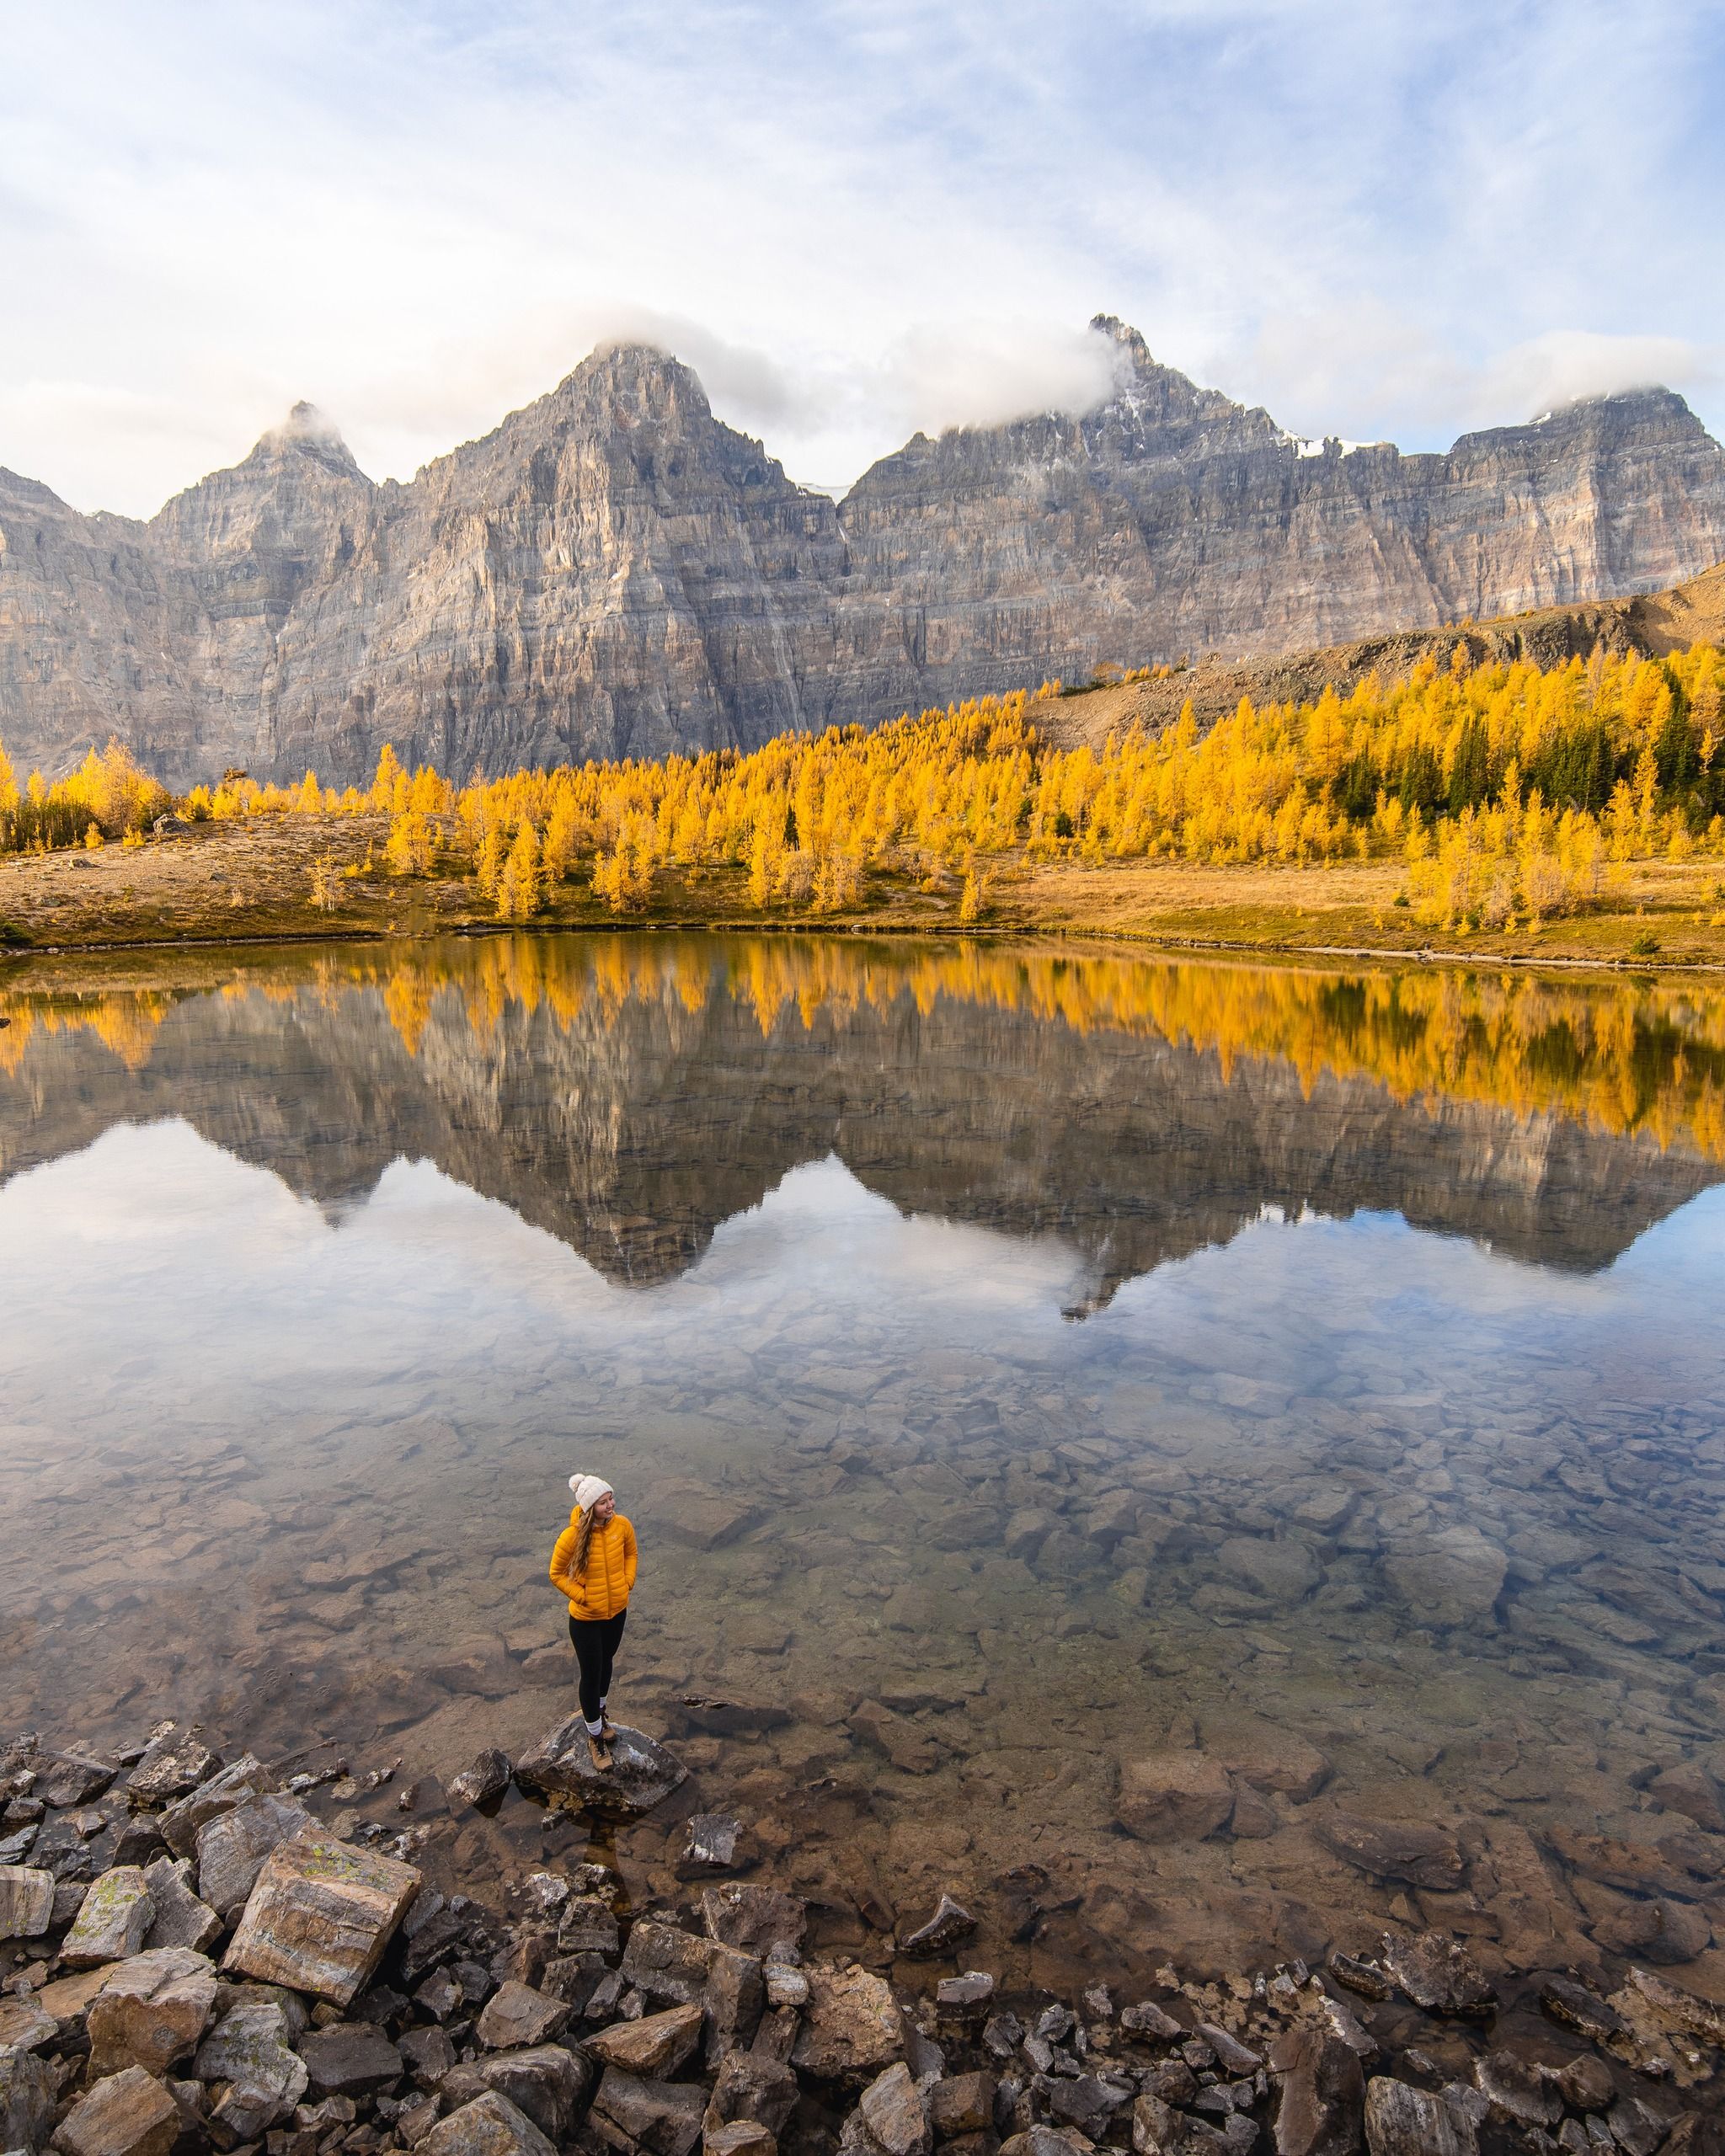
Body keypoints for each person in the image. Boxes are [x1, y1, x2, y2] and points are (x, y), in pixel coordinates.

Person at [549, 1473, 638, 1771]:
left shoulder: (622, 1526)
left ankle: (600, 1715)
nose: (611, 1505)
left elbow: (632, 1553)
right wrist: (582, 1596)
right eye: (603, 1502)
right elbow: (556, 1574)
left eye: (611, 1498)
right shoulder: (572, 1536)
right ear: (590, 1508)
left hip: (616, 1613)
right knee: (591, 1674)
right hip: (586, 1619)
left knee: (607, 1663)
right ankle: (595, 1737)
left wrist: (628, 1581)